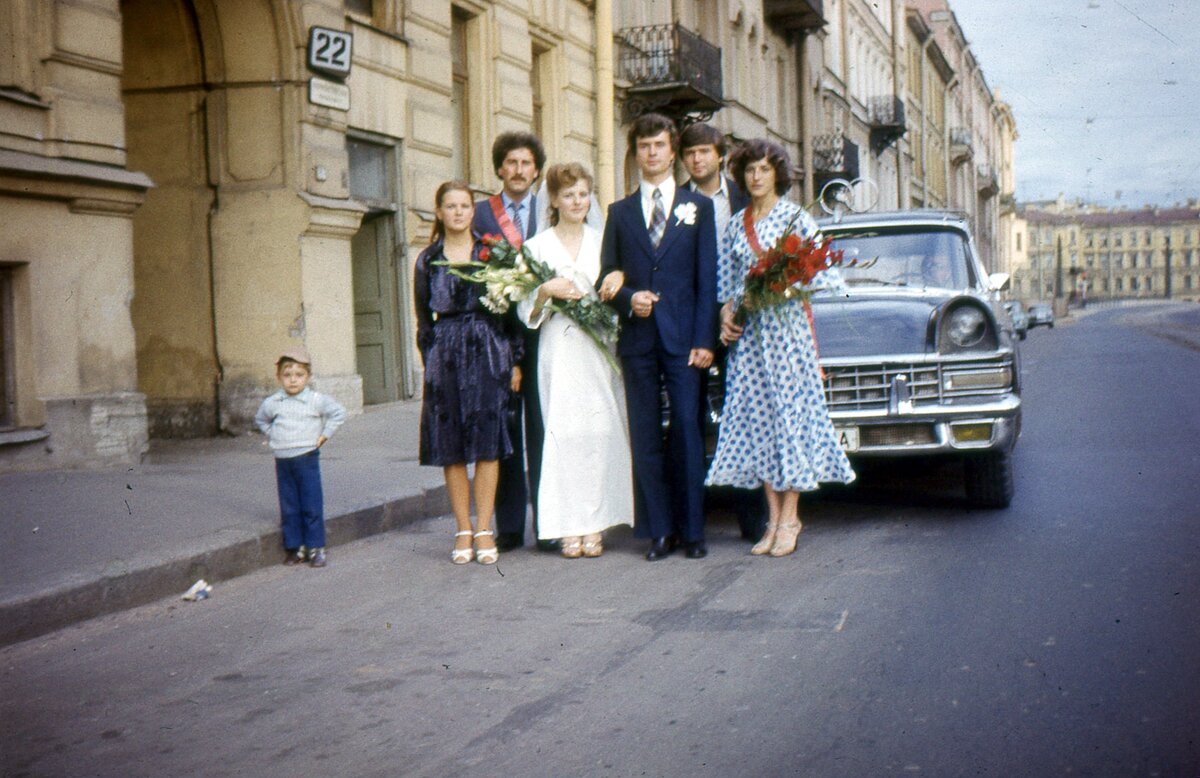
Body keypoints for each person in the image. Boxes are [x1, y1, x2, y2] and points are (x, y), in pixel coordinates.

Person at [705, 139, 856, 557]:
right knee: (760, 424)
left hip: (788, 336)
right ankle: (771, 521)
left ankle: (791, 517)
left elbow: (822, 274)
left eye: (764, 170)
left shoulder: (796, 219)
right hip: (751, 341)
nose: (756, 177)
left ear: (777, 174)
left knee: (790, 421)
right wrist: (727, 315)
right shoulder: (736, 224)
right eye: (750, 170)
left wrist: (781, 287)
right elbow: (726, 282)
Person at [598, 112, 718, 561]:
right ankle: (659, 531)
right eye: (644, 146)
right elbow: (605, 278)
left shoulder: (698, 208)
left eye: (659, 145)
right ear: (637, 154)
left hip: (686, 340)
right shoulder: (620, 212)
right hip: (640, 339)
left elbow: (708, 280)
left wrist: (705, 340)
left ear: (673, 153)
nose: (652, 153)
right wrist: (629, 298)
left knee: (688, 428)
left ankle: (693, 531)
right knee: (645, 435)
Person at [517, 163, 633, 558]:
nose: (577, 202)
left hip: (596, 344)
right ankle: (567, 525)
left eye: (583, 194)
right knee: (563, 432)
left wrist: (615, 285)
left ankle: (596, 522)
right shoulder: (536, 248)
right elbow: (523, 308)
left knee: (599, 432)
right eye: (568, 195)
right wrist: (545, 291)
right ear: (553, 200)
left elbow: (618, 290)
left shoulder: (603, 241)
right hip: (558, 345)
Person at [416, 181, 524, 565]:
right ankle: (463, 527)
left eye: (464, 205)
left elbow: (511, 313)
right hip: (444, 354)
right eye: (451, 206)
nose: (458, 212)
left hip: (488, 350)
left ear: (471, 210)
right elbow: (423, 321)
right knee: (452, 446)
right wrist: (430, 360)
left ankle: (484, 528)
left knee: (487, 444)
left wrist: (514, 360)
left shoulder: (491, 252)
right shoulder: (427, 260)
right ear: (440, 211)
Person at [678, 122, 767, 544]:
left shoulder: (745, 199)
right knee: (688, 419)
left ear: (719, 155)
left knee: (744, 416)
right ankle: (691, 524)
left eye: (704, 152)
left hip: (738, 320)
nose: (697, 159)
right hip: (689, 321)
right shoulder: (674, 200)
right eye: (690, 153)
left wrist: (738, 310)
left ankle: (753, 521)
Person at [472, 131, 552, 553]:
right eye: (511, 163)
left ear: (536, 170)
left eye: (526, 163)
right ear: (500, 168)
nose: (519, 170)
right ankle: (508, 525)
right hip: (497, 336)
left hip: (544, 331)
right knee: (504, 430)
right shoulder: (482, 214)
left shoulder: (550, 209)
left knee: (542, 427)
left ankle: (549, 521)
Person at [255, 346, 347, 568]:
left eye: (299, 375)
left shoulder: (315, 400)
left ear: (308, 376)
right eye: (287, 375)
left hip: (306, 458)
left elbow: (338, 413)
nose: (293, 381)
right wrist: (273, 434)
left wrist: (324, 436)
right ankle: (295, 548)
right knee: (290, 506)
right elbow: (261, 420)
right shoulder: (273, 402)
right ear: (279, 377)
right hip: (283, 460)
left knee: (311, 503)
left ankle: (316, 547)